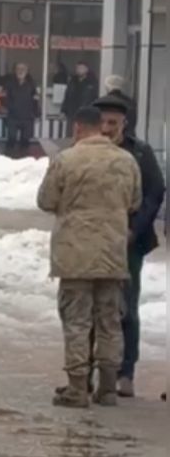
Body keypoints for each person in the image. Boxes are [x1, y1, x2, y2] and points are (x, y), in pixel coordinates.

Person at [36, 106, 141, 408]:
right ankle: (107, 388)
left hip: (75, 255)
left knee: (77, 322)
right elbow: (134, 201)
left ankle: (77, 387)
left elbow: (46, 200)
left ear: (79, 128)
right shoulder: (126, 160)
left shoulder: (66, 160)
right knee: (109, 321)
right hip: (112, 254)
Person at [93, 94, 166, 398]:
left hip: (128, 242)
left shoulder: (139, 152)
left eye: (114, 122)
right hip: (93, 240)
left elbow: (156, 190)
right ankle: (91, 370)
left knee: (127, 306)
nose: (108, 128)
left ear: (124, 123)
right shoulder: (87, 150)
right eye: (104, 122)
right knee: (91, 305)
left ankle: (126, 372)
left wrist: (135, 229)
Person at [0, 62, 39, 157]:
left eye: (23, 69)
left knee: (25, 141)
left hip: (27, 117)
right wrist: (7, 106)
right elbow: (2, 96)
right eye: (18, 69)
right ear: (15, 71)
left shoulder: (31, 83)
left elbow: (36, 100)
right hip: (13, 116)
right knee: (11, 138)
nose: (20, 71)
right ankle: (8, 160)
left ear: (27, 71)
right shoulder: (9, 83)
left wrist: (37, 114)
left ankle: (24, 162)